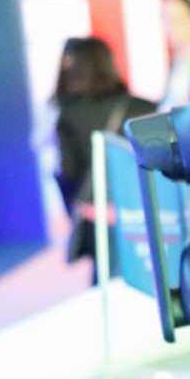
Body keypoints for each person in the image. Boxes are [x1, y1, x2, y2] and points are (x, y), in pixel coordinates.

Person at [52, 37, 156, 271]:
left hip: (98, 214)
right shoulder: (145, 107)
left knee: (106, 278)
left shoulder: (70, 115)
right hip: (143, 211)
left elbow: (69, 170)